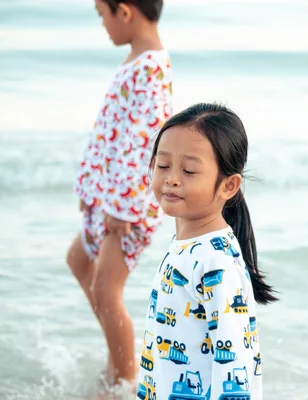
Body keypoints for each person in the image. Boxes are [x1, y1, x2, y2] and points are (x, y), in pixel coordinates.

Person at [136, 103, 277, 399]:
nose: (172, 178)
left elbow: (235, 363)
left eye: (189, 170)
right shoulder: (188, 247)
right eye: (162, 165)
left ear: (229, 186)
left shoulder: (214, 261)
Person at [66, 0, 173, 386]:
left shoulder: (151, 69)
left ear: (124, 12)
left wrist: (123, 207)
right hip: (109, 198)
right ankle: (119, 358)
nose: (103, 25)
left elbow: (143, 144)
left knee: (106, 291)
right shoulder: (135, 61)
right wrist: (90, 185)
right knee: (79, 261)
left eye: (102, 15)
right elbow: (111, 132)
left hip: (128, 208)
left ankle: (125, 382)